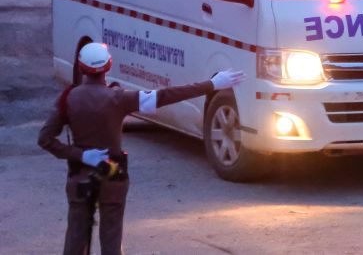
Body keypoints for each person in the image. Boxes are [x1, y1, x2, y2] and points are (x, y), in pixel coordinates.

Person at [38, 42, 244, 255]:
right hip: (112, 176)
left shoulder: (68, 98)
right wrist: (212, 84)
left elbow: (45, 139)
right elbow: (166, 96)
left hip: (79, 178)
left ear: (80, 67)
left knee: (75, 239)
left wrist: (82, 155)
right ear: (108, 66)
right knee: (111, 238)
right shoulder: (120, 98)